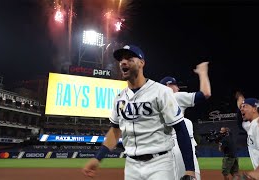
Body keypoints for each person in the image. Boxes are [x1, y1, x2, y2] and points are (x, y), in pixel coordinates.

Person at [82, 45, 196, 180]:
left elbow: (180, 129)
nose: (123, 62)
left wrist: (190, 170)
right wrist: (98, 158)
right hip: (131, 165)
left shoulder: (161, 92)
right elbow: (115, 131)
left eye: (129, 59)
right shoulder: (119, 98)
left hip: (160, 163)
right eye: (121, 60)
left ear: (141, 63)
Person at [159, 61, 211, 180]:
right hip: (178, 147)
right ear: (168, 86)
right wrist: (203, 73)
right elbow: (205, 93)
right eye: (175, 85)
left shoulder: (156, 102)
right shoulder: (174, 96)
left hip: (166, 148)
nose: (177, 87)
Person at [236, 95, 259, 170]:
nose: (241, 109)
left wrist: (256, 173)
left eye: (245, 106)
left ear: (254, 109)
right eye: (241, 107)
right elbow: (240, 123)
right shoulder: (250, 125)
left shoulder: (258, 125)